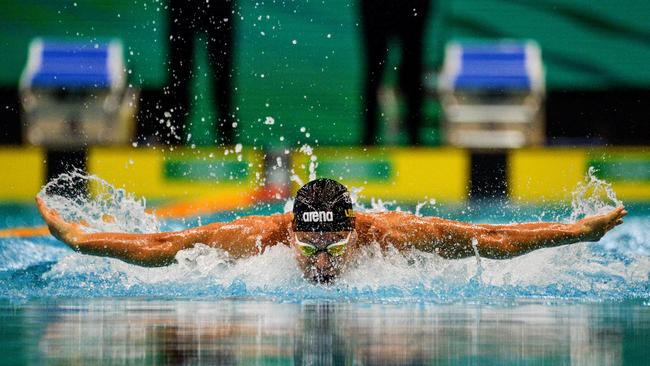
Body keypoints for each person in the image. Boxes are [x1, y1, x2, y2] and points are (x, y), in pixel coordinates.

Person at [36, 178, 627, 284]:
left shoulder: (390, 236)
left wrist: (578, 232)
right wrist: (81, 240)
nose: (321, 257)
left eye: (335, 244)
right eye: (310, 242)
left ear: (354, 230)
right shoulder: (259, 237)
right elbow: (166, 246)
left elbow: (492, 240)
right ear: (290, 231)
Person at [162, 0, 235, 145]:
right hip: (183, 6)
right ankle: (173, 135)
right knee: (179, 73)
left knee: (222, 72)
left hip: (217, 6)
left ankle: (227, 137)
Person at [359, 0, 432, 145]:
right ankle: (368, 138)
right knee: (375, 67)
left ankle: (414, 137)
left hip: (409, 6)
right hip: (377, 6)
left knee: (412, 67)